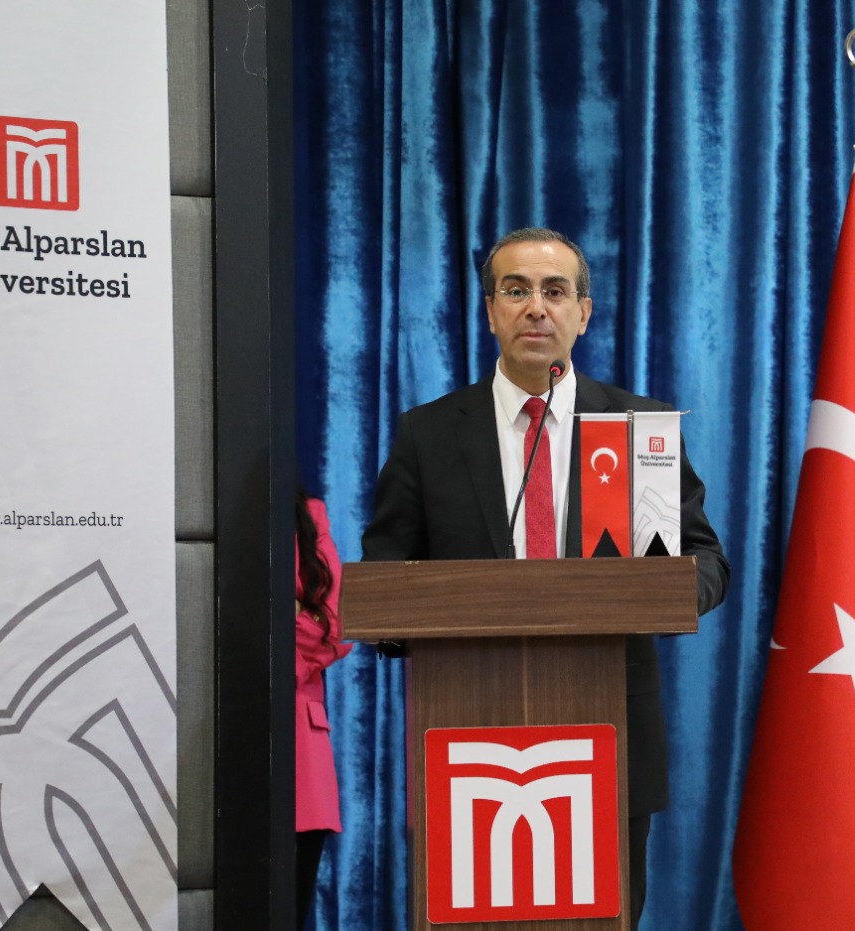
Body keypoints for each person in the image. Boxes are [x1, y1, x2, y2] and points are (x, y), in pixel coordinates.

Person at [361, 227, 730, 926]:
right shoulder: (428, 434)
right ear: (490, 311)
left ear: (582, 314)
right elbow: (386, 570)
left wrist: (662, 593)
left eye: (555, 291)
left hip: (613, 731)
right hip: (468, 734)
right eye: (516, 290)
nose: (536, 307)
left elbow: (706, 559)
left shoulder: (638, 427)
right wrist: (415, 624)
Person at [294, 490, 351, 929]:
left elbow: (331, 624)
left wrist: (278, 646)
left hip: (301, 745)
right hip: (225, 726)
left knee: (290, 909)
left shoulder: (309, 516)